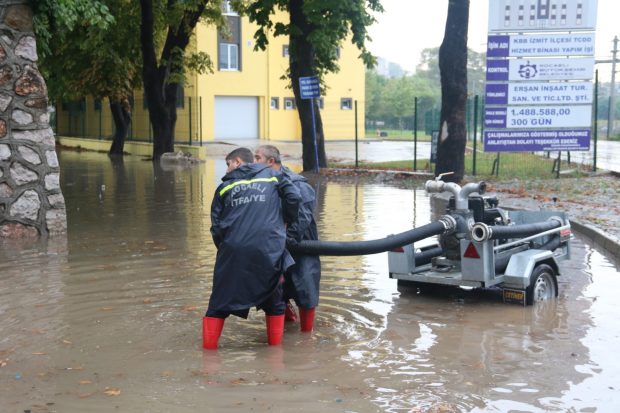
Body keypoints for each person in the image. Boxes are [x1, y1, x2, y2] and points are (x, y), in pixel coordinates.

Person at [203, 147, 301, 349]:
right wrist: (285, 223)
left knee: (219, 303)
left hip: (233, 250)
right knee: (274, 300)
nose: (227, 169)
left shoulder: (224, 187)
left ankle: (209, 358)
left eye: (228, 164)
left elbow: (216, 226)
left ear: (237, 162)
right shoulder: (274, 176)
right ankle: (275, 357)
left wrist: (226, 248)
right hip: (268, 248)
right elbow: (294, 198)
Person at [254, 145, 321, 332]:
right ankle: (284, 321)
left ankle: (307, 338)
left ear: (270, 162)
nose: (253, 162)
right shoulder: (259, 184)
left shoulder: (299, 184)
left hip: (301, 246)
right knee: (273, 290)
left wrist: (284, 240)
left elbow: (302, 219)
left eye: (257, 158)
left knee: (305, 287)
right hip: (275, 245)